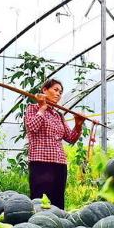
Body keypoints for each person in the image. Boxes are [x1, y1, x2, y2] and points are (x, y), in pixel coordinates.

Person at [24, 79, 86, 209]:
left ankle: (57, 226)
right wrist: (42, 109)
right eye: (55, 90)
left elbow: (70, 138)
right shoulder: (32, 109)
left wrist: (78, 125)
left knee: (57, 202)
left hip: (59, 164)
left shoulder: (58, 115)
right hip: (41, 163)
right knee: (40, 202)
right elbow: (32, 127)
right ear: (45, 90)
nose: (58, 94)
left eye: (60, 92)